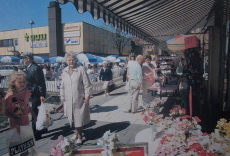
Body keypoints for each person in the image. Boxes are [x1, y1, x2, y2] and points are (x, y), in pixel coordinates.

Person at [60, 52, 92, 145]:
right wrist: (62, 97)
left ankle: (80, 136)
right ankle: (76, 132)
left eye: (73, 59)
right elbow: (62, 86)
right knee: (73, 117)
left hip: (79, 98)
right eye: (69, 59)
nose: (71, 61)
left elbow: (87, 84)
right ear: (66, 61)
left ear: (76, 60)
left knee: (79, 117)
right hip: (69, 99)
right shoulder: (64, 71)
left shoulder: (80, 69)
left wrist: (87, 96)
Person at [20, 52, 46, 140]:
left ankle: (36, 133)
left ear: (28, 58)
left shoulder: (35, 68)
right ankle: (41, 129)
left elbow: (40, 83)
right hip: (32, 93)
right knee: (37, 113)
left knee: (35, 113)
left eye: (24, 58)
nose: (22, 60)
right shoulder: (29, 67)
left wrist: (42, 95)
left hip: (36, 94)